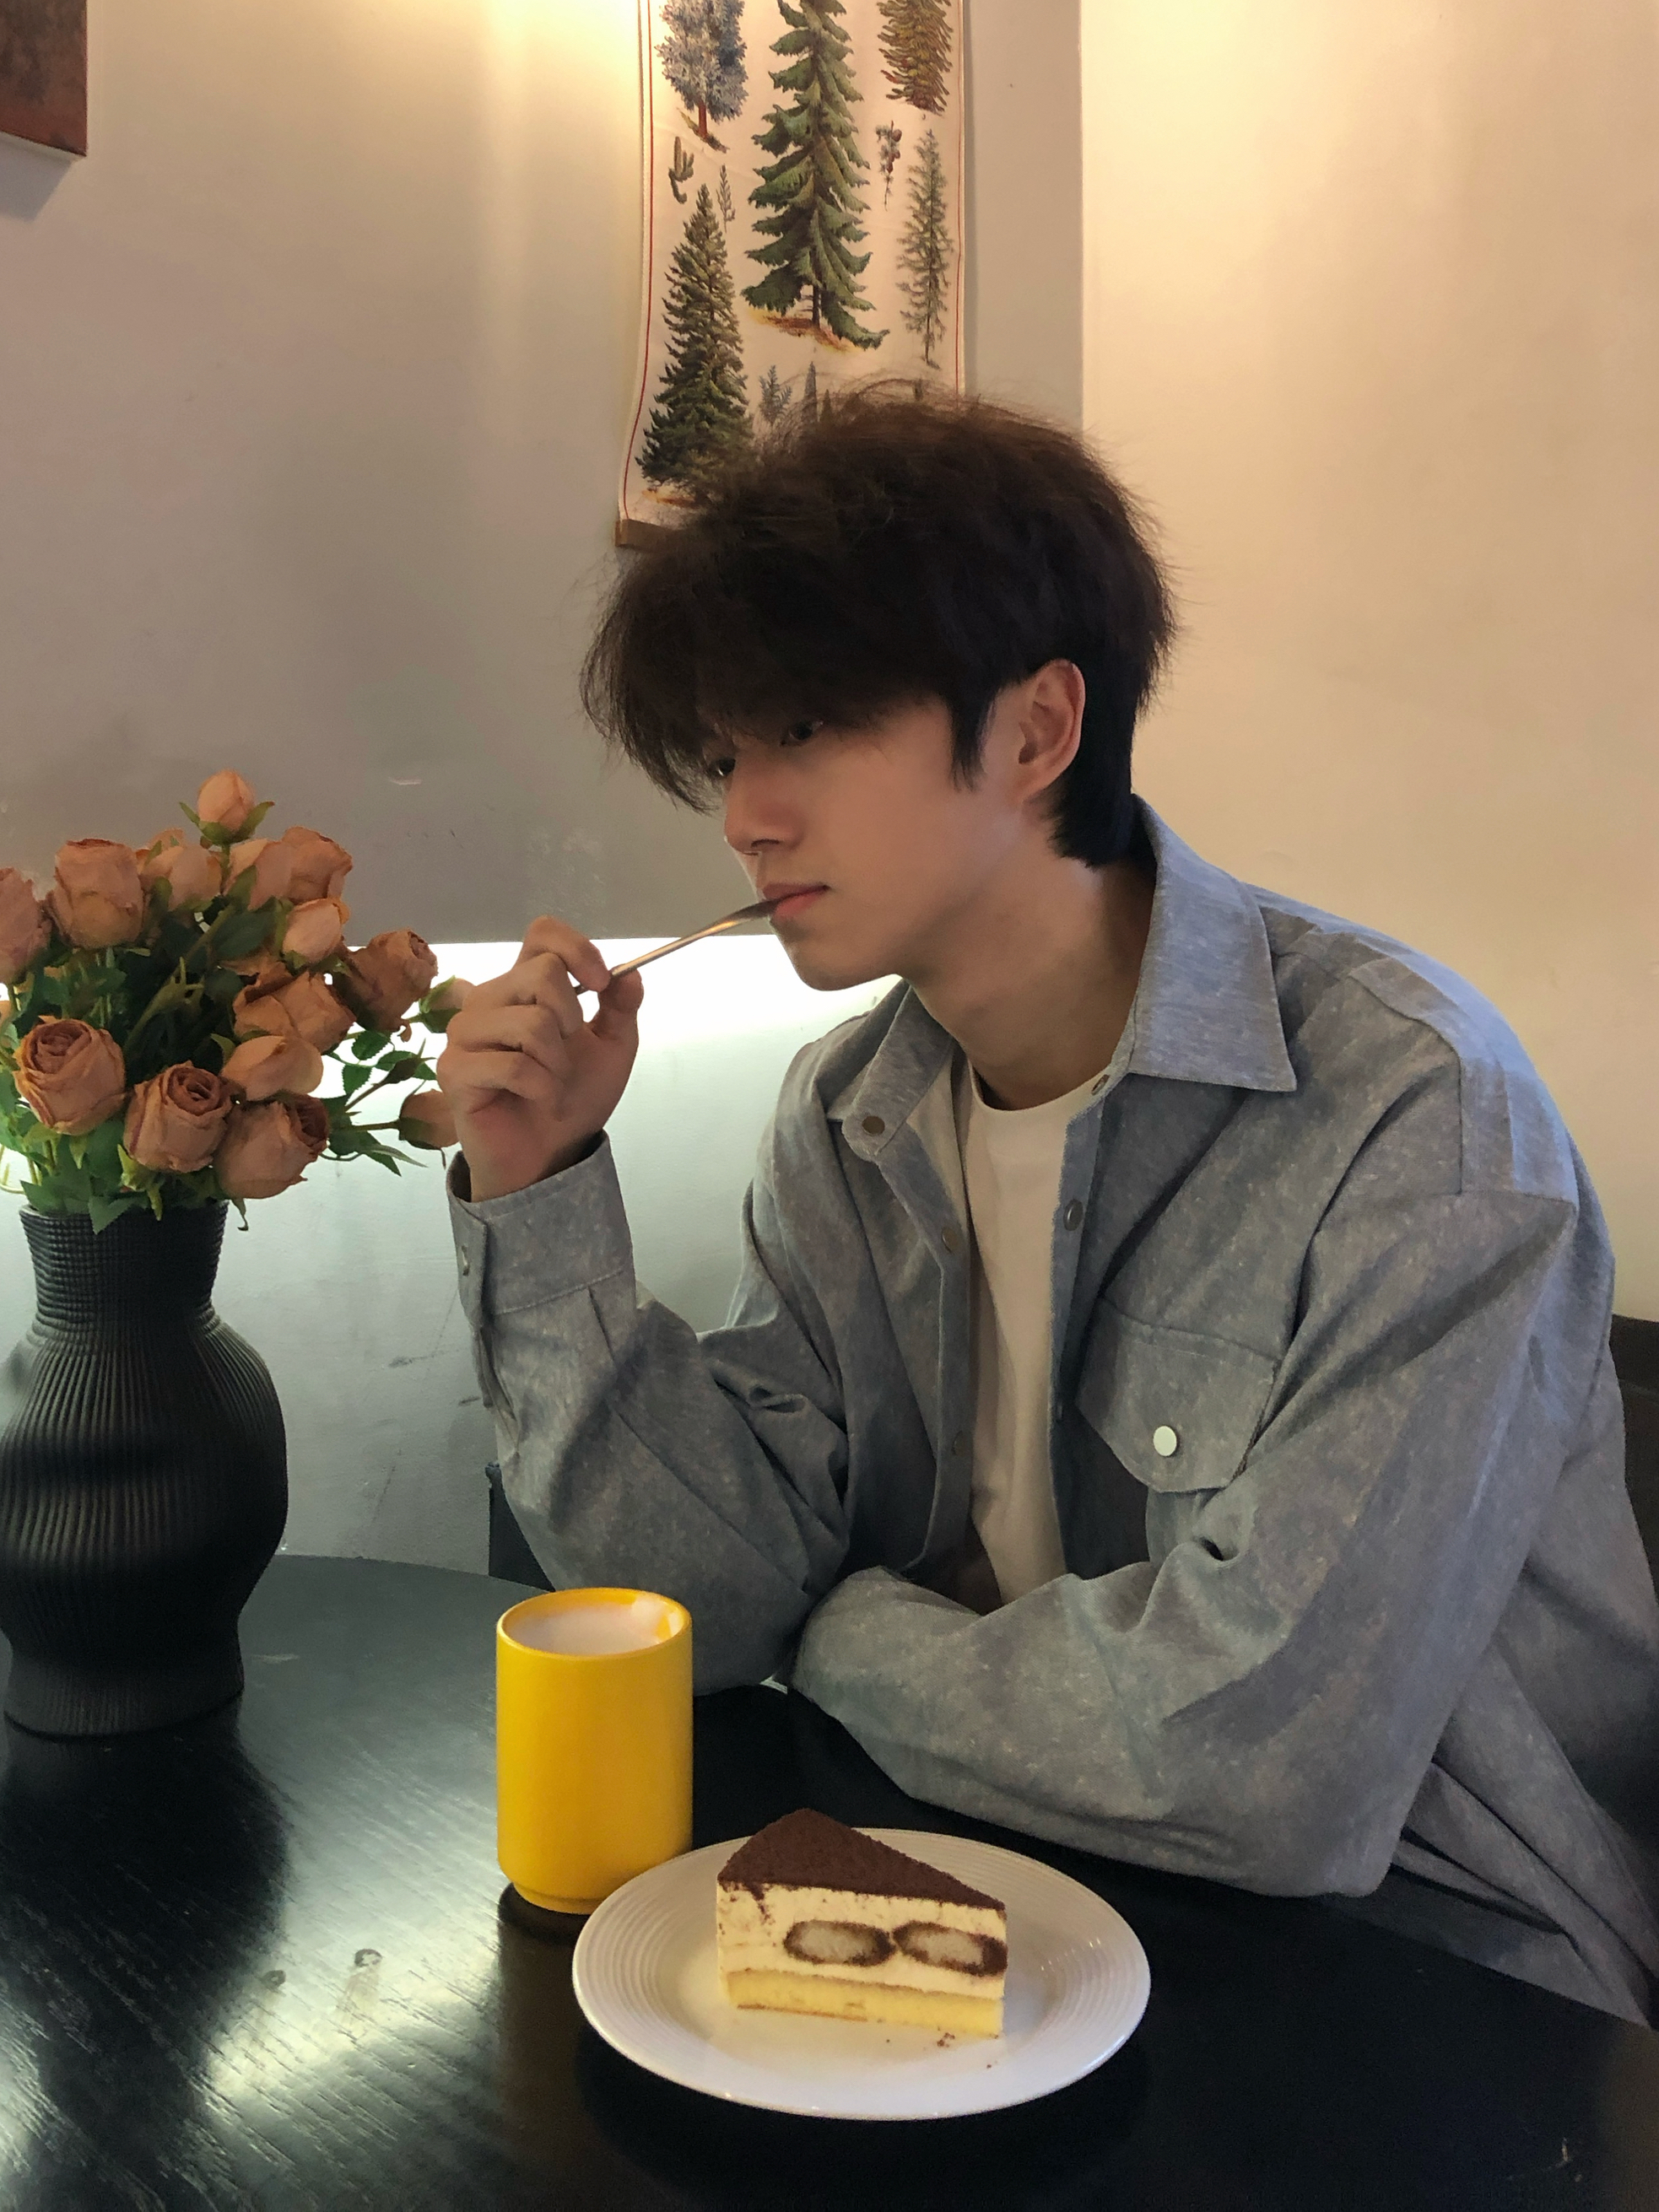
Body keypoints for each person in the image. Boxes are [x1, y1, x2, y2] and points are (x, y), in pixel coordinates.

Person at [435, 386, 1659, 2021]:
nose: (743, 816)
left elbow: (1262, 1768)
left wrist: (841, 1632)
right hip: (998, 1891)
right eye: (726, 755)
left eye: (805, 729)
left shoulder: (1415, 1111)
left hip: (1431, 1978)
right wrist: (536, 1186)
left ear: (1033, 730)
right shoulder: (843, 1117)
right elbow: (705, 1611)